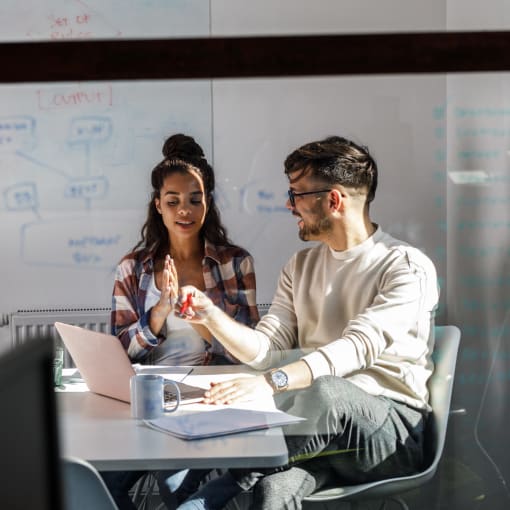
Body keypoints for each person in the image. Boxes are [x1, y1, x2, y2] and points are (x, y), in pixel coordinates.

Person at [173, 135, 440, 510]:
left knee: (326, 391)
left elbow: (356, 349)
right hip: (314, 435)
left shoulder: (405, 265)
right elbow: (266, 351)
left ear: (333, 200)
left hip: (388, 434)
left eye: (296, 193)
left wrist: (270, 383)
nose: (288, 204)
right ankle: (214, 485)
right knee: (274, 494)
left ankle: (210, 490)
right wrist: (209, 315)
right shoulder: (300, 266)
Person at [101, 133, 259, 510]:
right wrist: (158, 314)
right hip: (147, 402)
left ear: (208, 203)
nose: (184, 211)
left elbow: (252, 350)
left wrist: (204, 319)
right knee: (97, 483)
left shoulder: (235, 262)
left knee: (173, 486)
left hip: (207, 400)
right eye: (172, 201)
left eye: (194, 199)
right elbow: (118, 350)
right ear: (158, 205)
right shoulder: (133, 267)